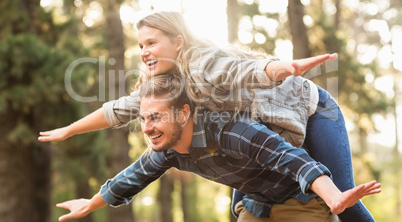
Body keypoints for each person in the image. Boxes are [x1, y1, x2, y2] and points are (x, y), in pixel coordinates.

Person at [39, 11, 372, 221]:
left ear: (179, 43)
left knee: (341, 195)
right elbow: (119, 111)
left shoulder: (201, 63)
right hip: (245, 136)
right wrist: (69, 130)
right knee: (244, 204)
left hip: (309, 110)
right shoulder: (163, 89)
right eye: (140, 45)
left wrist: (284, 68)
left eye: (152, 42)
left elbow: (245, 70)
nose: (144, 52)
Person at [54, 75, 381, 222]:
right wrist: (89, 204)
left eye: (155, 117)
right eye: (143, 119)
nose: (147, 127)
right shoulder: (166, 150)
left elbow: (289, 157)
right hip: (258, 203)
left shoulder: (229, 131)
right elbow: (129, 180)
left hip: (301, 193)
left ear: (184, 114)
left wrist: (335, 196)